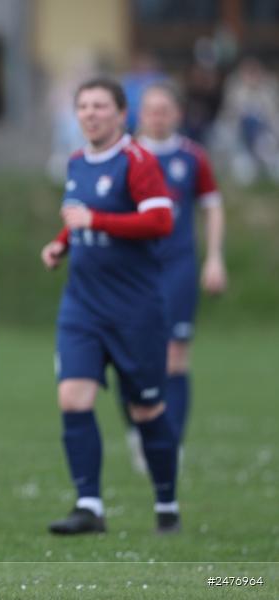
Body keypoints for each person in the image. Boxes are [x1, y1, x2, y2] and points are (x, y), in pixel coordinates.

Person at [40, 77, 181, 535]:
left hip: (135, 309)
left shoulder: (137, 160)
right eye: (83, 106)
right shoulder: (76, 162)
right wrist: (62, 243)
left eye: (100, 106)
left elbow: (160, 219)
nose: (90, 114)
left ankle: (167, 505)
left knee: (146, 411)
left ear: (121, 113)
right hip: (82, 306)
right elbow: (78, 216)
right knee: (72, 397)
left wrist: (94, 220)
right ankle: (89, 506)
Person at [133, 82, 227, 458]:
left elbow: (212, 206)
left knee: (174, 356)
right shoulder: (126, 156)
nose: (157, 117)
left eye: (164, 110)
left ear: (177, 114)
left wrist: (214, 257)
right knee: (133, 357)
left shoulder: (192, 157)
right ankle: (139, 431)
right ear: (140, 115)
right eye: (150, 110)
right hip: (134, 270)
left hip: (178, 266)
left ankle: (171, 444)